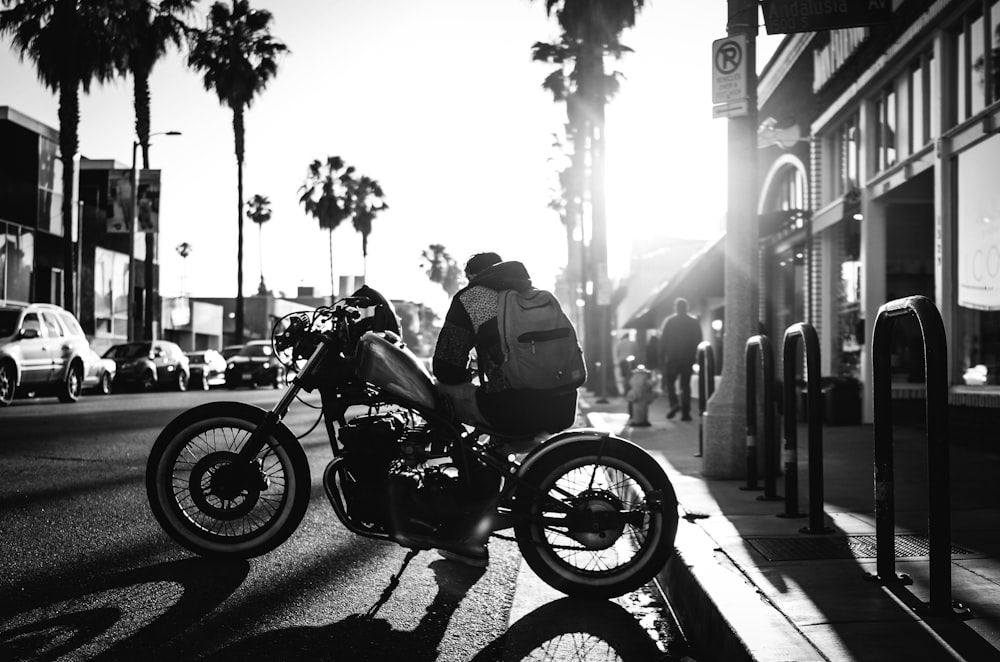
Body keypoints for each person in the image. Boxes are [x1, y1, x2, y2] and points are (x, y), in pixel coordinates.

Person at [428, 252, 578, 566]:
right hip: (561, 404)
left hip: (512, 407)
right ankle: (476, 526)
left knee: (443, 398)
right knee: (493, 446)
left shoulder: (474, 298)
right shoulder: (535, 297)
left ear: (473, 276)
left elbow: (446, 366)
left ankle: (467, 526)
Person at [658, 297, 702, 422]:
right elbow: (698, 339)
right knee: (685, 385)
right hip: (687, 358)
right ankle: (686, 413)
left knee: (670, 383)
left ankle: (674, 404)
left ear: (675, 308)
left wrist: (661, 357)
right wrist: (697, 357)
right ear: (686, 307)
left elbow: (663, 341)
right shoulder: (693, 322)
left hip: (672, 357)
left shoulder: (670, 322)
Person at [614, 330, 637, 396]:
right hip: (631, 360)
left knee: (624, 376)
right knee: (631, 375)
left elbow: (617, 353)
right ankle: (630, 388)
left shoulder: (620, 343)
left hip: (623, 361)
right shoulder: (632, 343)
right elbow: (635, 351)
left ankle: (625, 389)